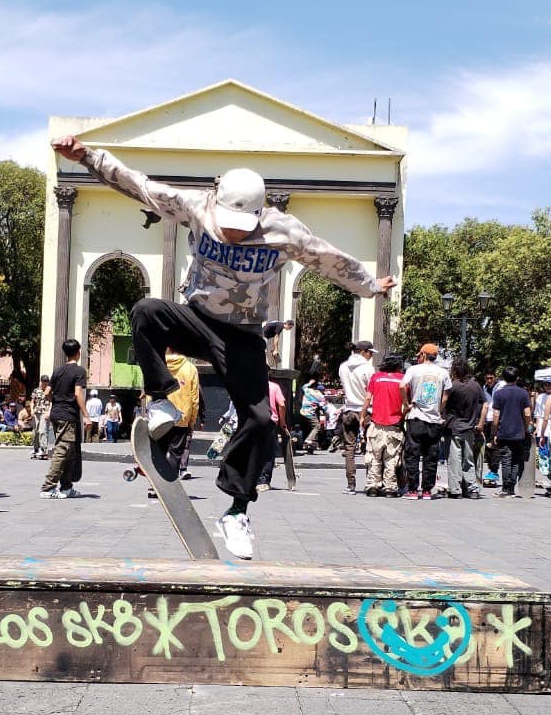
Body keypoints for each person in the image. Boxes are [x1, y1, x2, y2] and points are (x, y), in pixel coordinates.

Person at [55, 135, 394, 559]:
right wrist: (86, 156)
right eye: (227, 228)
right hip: (196, 319)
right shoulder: (195, 205)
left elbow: (328, 258)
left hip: (243, 335)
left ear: (259, 214)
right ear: (216, 203)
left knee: (260, 421)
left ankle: (235, 510)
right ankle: (162, 401)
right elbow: (137, 184)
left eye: (242, 229)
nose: (233, 236)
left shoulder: (283, 231)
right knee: (145, 311)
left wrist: (368, 286)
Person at [400, 343, 449, 499]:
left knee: (412, 454)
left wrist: (406, 403)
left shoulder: (413, 370)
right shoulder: (443, 372)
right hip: (434, 419)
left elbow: (402, 385)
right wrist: (439, 410)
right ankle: (427, 490)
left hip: (416, 417)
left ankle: (413, 489)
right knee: (431, 455)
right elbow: (446, 394)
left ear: (423, 355)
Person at [41, 338, 88, 498]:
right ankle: (48, 487)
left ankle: (66, 487)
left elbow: (47, 392)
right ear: (78, 352)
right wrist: (86, 416)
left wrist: (55, 403)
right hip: (68, 415)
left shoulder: (58, 370)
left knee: (70, 451)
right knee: (62, 449)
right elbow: (78, 393)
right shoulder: (79, 371)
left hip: (56, 414)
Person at [361, 353, 406, 496]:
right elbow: (406, 404)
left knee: (374, 457)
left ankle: (373, 486)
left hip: (377, 423)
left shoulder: (376, 377)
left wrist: (362, 416)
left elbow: (368, 398)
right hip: (395, 424)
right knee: (391, 459)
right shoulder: (403, 380)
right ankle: (390, 488)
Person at [441, 360, 485, 500]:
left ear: (454, 370)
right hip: (470, 427)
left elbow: (444, 403)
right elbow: (484, 405)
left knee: (454, 460)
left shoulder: (452, 386)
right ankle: (472, 488)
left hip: (453, 427)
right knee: (469, 459)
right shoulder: (476, 386)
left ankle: (455, 489)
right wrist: (480, 423)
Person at [337, 339, 375, 494]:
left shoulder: (343, 367)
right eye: (370, 352)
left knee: (350, 449)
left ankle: (350, 485)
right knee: (370, 448)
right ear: (364, 352)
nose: (371, 355)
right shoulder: (368, 368)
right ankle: (371, 482)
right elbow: (370, 391)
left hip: (349, 410)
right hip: (366, 411)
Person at [491, 367, 533, 498]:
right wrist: (526, 428)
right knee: (516, 460)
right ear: (517, 378)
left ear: (503, 378)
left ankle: (505, 488)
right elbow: (527, 413)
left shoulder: (499, 394)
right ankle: (511, 488)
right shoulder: (523, 393)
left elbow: (496, 415)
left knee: (505, 459)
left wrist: (494, 432)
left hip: (504, 431)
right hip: (519, 432)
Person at [164, 348, 202, 479]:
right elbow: (194, 399)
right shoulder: (190, 368)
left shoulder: (160, 365)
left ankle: (154, 486)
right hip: (181, 418)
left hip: (161, 417)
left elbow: (151, 392)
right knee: (175, 453)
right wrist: (192, 422)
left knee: (159, 452)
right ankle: (170, 484)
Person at [256, 377, 289, 491]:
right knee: (269, 453)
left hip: (254, 421)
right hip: (270, 422)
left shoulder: (252, 384)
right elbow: (282, 404)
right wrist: (283, 422)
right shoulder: (274, 386)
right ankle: (263, 481)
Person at [29, 376, 53, 458]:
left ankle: (43, 449)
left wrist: (49, 412)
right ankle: (36, 449)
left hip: (44, 412)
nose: (45, 383)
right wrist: (31, 410)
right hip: (36, 413)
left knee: (43, 431)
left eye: (46, 381)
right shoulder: (36, 390)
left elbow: (51, 402)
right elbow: (32, 401)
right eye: (43, 381)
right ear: (41, 381)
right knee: (35, 432)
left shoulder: (50, 391)